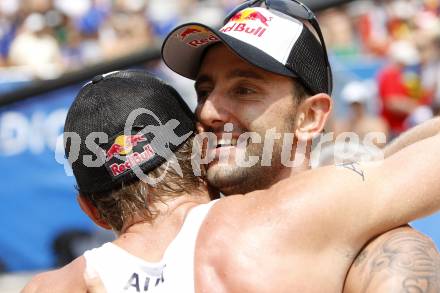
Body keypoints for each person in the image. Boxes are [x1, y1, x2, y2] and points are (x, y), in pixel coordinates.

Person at [22, 70, 440, 293]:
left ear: (90, 210)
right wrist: (369, 164)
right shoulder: (286, 218)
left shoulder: (47, 288)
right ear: (202, 152)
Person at [161, 1, 440, 292]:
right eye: (204, 92)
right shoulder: (167, 227)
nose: (207, 112)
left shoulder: (381, 252)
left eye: (244, 90)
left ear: (309, 117)